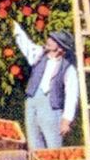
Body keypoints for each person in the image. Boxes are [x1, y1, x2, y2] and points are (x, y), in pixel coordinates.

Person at [13, 20, 79, 149]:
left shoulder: (68, 67)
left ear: (60, 48)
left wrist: (67, 119)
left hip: (51, 108)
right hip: (32, 103)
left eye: (53, 40)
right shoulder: (39, 54)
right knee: (34, 143)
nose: (48, 40)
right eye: (50, 37)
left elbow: (72, 94)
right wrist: (16, 29)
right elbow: (26, 45)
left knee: (53, 146)